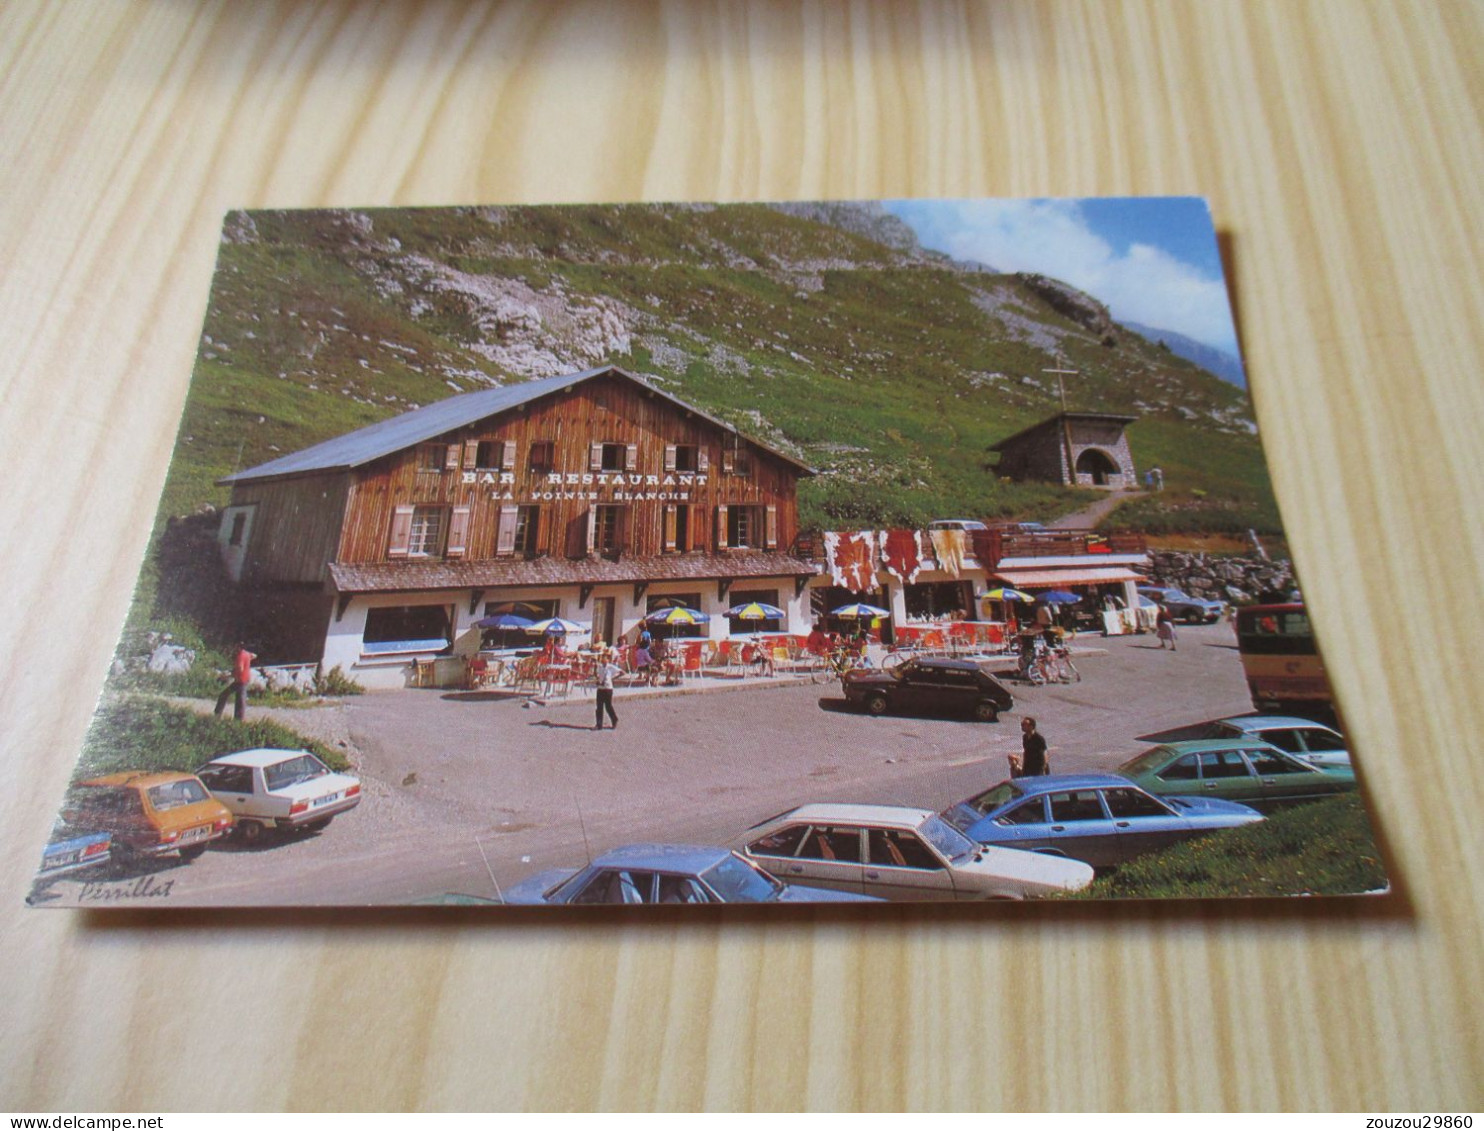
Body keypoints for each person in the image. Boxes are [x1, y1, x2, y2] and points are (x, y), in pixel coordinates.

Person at [214, 642, 256, 721]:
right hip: (244, 680)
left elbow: (240, 669)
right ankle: (237, 719)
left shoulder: (240, 656)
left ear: (239, 647)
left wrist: (231, 674)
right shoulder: (246, 654)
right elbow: (254, 656)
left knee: (233, 698)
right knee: (239, 699)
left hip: (240, 680)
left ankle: (219, 715)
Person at [594, 649, 621, 730]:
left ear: (608, 660)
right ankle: (599, 724)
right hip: (600, 688)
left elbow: (621, 672)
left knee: (608, 706)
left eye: (605, 658)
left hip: (608, 689)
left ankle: (614, 719)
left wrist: (612, 678)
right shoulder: (600, 667)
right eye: (602, 658)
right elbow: (597, 675)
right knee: (599, 706)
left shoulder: (611, 667)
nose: (603, 660)